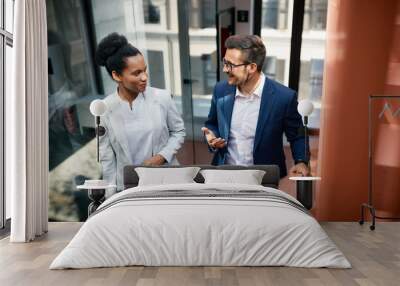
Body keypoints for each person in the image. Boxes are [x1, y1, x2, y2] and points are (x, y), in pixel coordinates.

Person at [202, 35, 309, 178]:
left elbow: (297, 136)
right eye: (224, 63)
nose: (225, 69)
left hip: (264, 178)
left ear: (252, 67)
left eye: (231, 65)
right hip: (223, 174)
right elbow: (212, 123)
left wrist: (301, 161)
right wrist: (212, 138)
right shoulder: (220, 90)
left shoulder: (284, 98)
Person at [95, 33, 185, 196]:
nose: (144, 77)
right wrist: (111, 197)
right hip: (130, 188)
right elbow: (107, 160)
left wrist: (161, 157)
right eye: (136, 73)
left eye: (145, 70)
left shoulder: (162, 98)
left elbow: (178, 132)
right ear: (116, 75)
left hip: (166, 181)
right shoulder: (105, 109)